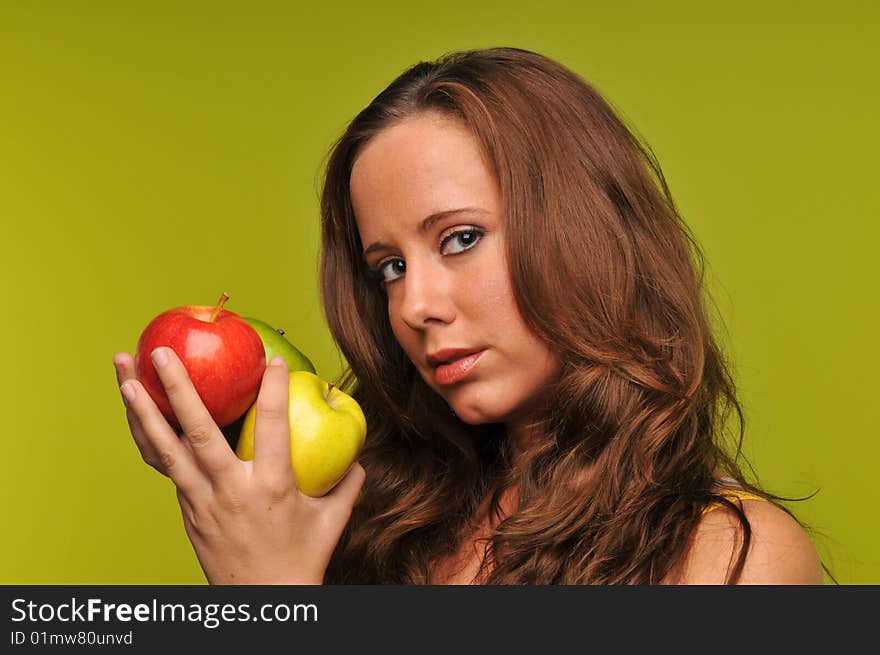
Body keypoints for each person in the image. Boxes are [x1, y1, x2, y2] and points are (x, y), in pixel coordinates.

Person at [113, 46, 828, 585]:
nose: (414, 306)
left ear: (585, 235)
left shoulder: (732, 558)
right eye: (387, 267)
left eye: (460, 239)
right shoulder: (368, 519)